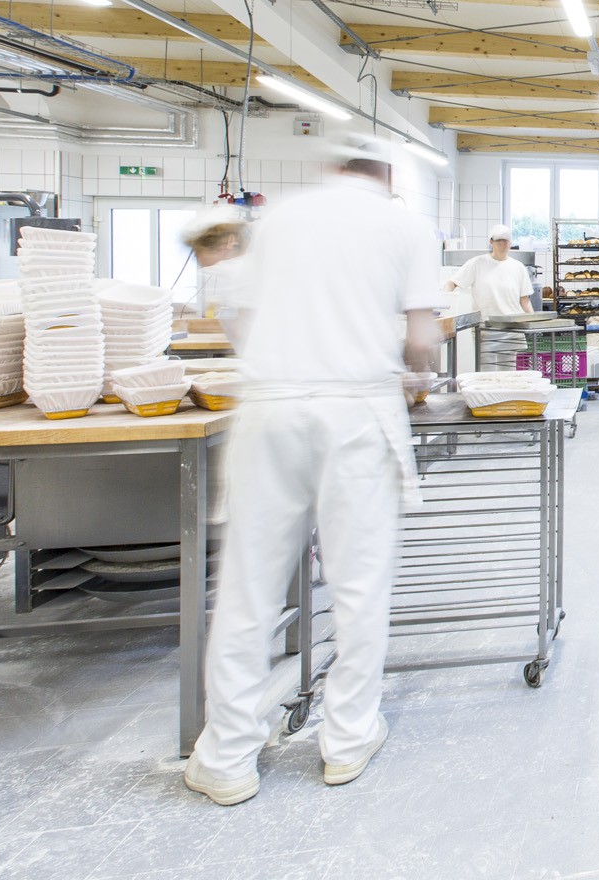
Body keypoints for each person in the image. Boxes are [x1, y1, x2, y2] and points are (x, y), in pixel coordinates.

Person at [184, 133, 441, 806]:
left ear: (333, 168)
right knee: (357, 584)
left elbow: (239, 319)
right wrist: (418, 372)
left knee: (248, 586)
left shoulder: (278, 221)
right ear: (386, 174)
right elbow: (421, 338)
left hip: (269, 408)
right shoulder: (404, 224)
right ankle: (347, 742)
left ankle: (227, 757)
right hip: (355, 410)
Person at [182, 206, 253, 339]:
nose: (197, 259)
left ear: (225, 245)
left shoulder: (234, 271)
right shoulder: (240, 267)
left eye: (197, 252)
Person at [443, 224, 534, 316]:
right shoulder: (477, 263)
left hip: (514, 326)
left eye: (505, 241)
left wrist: (533, 321)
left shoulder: (518, 267)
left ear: (510, 243)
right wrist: (444, 302)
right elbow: (452, 283)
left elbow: (524, 300)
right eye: (498, 240)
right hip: (485, 326)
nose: (502, 244)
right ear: (491, 242)